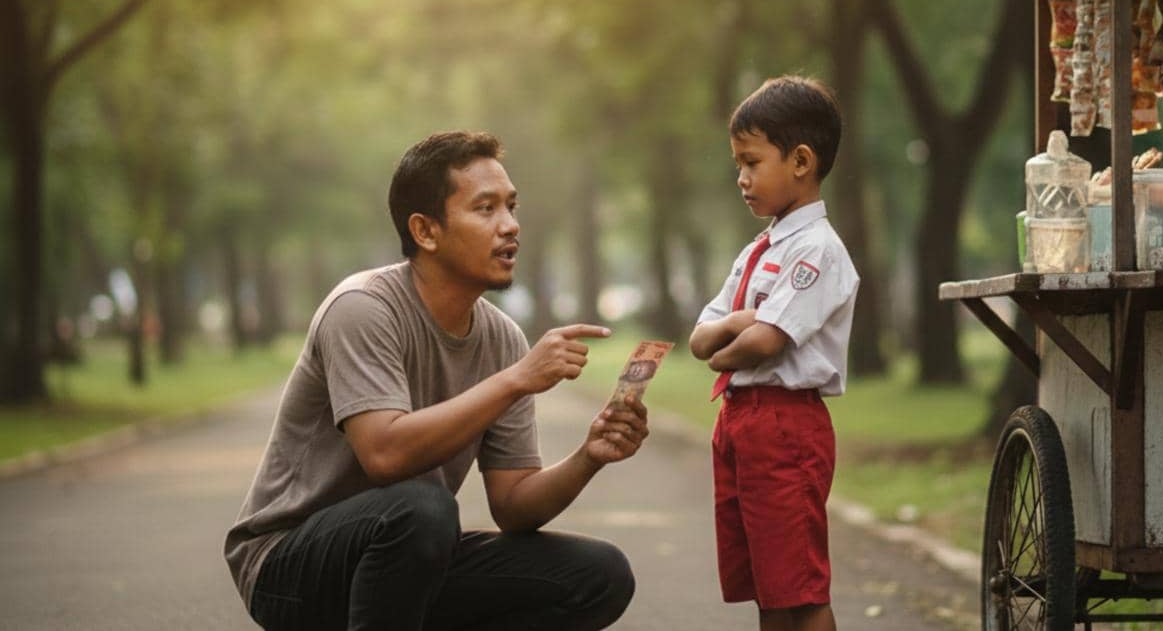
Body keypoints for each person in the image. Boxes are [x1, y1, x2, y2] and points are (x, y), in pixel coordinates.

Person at [224, 131, 648, 631]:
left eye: (511, 207)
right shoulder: (362, 308)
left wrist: (588, 457)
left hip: (404, 556)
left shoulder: (501, 339)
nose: (510, 226)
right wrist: (515, 381)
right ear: (426, 231)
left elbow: (513, 506)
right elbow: (384, 456)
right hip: (287, 566)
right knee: (423, 509)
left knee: (597, 574)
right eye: (485, 209)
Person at [689, 76, 860, 631]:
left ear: (801, 161)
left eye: (751, 162)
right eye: (737, 164)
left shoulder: (818, 250)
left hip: (786, 427)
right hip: (741, 424)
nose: (741, 178)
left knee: (800, 588)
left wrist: (731, 343)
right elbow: (700, 336)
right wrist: (741, 324)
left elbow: (765, 342)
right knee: (767, 585)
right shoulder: (759, 249)